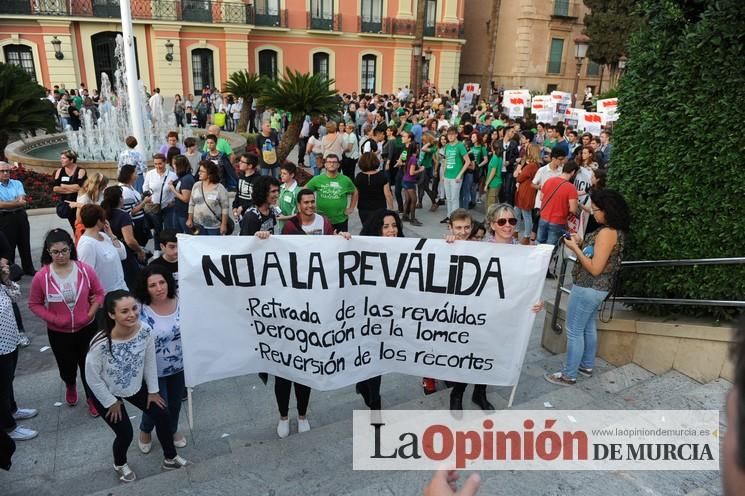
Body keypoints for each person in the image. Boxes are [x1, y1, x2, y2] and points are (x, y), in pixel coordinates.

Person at [85, 290, 189, 483]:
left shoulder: (144, 330)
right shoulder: (100, 343)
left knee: (162, 413)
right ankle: (120, 463)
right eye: (124, 311)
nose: (132, 314)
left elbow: (150, 361)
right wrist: (111, 402)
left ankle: (170, 457)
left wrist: (153, 391)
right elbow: (91, 378)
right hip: (106, 392)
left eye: (134, 308)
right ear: (111, 314)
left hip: (134, 385)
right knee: (125, 433)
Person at [545, 190, 629, 386]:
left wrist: (574, 249)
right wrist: (583, 243)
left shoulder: (607, 233)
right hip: (597, 290)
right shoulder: (612, 231)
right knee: (588, 326)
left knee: (574, 330)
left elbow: (595, 268)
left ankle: (569, 375)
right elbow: (598, 254)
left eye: (596, 209)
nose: (593, 212)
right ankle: (586, 366)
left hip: (588, 288)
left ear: (608, 211)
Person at [28, 229, 105, 417]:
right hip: (58, 332)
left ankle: (91, 397)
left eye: (64, 250)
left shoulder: (85, 270)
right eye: (55, 252)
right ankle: (70, 384)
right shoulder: (42, 277)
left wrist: (90, 313)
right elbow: (34, 304)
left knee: (89, 365)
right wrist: (54, 319)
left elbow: (100, 294)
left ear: (71, 249)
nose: (60, 256)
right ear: (48, 252)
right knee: (66, 366)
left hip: (86, 328)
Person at [356, 209, 405, 410]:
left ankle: (364, 387)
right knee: (374, 361)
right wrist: (343, 240)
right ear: (376, 229)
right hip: (367, 317)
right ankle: (375, 404)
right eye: (385, 227)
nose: (391, 230)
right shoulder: (363, 250)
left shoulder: (406, 249)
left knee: (379, 361)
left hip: (392, 318)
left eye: (394, 226)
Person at [136, 267, 187, 454]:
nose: (159, 288)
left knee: (174, 403)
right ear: (145, 288)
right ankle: (145, 428)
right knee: (157, 406)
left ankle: (172, 429)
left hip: (180, 366)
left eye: (162, 282)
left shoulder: (182, 298)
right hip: (152, 370)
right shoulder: (139, 307)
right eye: (152, 285)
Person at [0, 256, 39, 441]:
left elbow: (16, 296)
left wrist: (6, 279)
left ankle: (12, 409)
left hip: (10, 340)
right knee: (2, 386)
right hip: (1, 346)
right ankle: (8, 426)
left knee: (8, 379)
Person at [101, 186, 146, 290]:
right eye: (122, 196)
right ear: (119, 199)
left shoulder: (101, 213)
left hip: (106, 253)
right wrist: (140, 251)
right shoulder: (123, 215)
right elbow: (129, 240)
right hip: (124, 255)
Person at [76, 204, 128, 293]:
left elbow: (122, 255)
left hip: (121, 289)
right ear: (98, 221)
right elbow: (85, 276)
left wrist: (111, 235)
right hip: (106, 297)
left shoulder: (104, 236)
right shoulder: (87, 245)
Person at [305, 154, 358, 233]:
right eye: (329, 162)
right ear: (325, 165)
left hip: (340, 220)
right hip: (322, 220)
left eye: (334, 162)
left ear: (338, 165)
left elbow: (355, 192)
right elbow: (304, 191)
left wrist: (351, 208)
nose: (332, 164)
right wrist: (310, 206)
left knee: (340, 244)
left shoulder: (345, 180)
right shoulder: (317, 179)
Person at [0, 162, 35, 276]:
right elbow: (1, 205)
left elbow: (22, 202)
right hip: (5, 218)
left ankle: (28, 269)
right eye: (2, 171)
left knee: (25, 242)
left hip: (20, 216)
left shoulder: (17, 183)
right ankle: (11, 271)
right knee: (8, 246)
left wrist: (8, 203)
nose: (6, 173)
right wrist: (15, 202)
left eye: (7, 171)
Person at [536, 161, 579, 246]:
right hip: (558, 221)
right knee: (551, 249)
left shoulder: (549, 181)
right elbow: (573, 210)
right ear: (573, 172)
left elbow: (541, 197)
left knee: (540, 245)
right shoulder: (571, 188)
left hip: (543, 217)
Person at [187, 160, 230, 236]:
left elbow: (225, 208)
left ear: (210, 174)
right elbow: (191, 203)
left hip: (214, 227)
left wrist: (224, 224)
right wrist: (190, 219)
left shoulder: (220, 188)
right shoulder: (196, 185)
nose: (199, 173)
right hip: (198, 225)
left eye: (202, 171)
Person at [143, 153, 177, 246]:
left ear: (165, 162)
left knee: (169, 229)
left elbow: (177, 191)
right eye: (156, 164)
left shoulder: (173, 175)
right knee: (157, 229)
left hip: (168, 207)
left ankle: (169, 247)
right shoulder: (150, 174)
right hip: (154, 206)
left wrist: (173, 201)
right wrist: (148, 197)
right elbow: (145, 188)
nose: (158, 166)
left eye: (160, 163)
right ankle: (157, 248)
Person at [354, 152, 394, 226]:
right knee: (378, 229)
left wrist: (351, 207)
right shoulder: (382, 176)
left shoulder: (359, 176)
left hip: (363, 208)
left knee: (366, 227)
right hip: (380, 208)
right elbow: (388, 194)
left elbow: (355, 194)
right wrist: (391, 208)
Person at [442, 126, 472, 221]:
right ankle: (449, 216)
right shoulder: (447, 146)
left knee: (455, 199)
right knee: (449, 198)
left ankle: (455, 219)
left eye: (452, 134)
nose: (450, 137)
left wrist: (460, 174)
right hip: (447, 175)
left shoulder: (460, 145)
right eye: (448, 135)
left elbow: (467, 161)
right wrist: (443, 174)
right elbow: (446, 159)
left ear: (456, 135)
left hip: (456, 176)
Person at [513, 143, 541, 245]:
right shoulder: (536, 165)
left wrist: (520, 173)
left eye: (528, 149)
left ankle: (527, 236)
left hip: (526, 191)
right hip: (524, 191)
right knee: (517, 211)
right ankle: (516, 231)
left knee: (526, 214)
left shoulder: (531, 166)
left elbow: (520, 177)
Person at [53, 150, 87, 230]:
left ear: (71, 160)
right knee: (74, 225)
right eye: (61, 158)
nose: (61, 160)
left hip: (78, 203)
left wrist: (63, 185)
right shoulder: (59, 171)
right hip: (67, 204)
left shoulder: (80, 171)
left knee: (81, 225)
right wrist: (73, 189)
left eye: (64, 158)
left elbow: (81, 187)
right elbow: (55, 188)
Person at [117, 165, 150, 247]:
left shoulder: (130, 187)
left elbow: (134, 203)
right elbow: (130, 212)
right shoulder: (125, 191)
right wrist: (144, 202)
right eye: (135, 173)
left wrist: (142, 197)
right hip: (135, 224)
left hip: (140, 221)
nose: (137, 175)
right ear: (130, 175)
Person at [72, 172, 108, 241]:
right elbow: (79, 218)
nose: (106, 186)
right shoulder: (85, 197)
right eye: (104, 185)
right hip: (87, 229)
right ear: (98, 186)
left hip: (97, 226)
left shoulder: (100, 194)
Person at [400, 131, 424, 226]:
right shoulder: (414, 159)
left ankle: (405, 216)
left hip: (405, 179)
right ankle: (412, 219)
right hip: (410, 181)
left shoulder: (409, 157)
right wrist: (420, 170)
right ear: (416, 150)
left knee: (407, 199)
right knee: (414, 200)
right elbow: (412, 172)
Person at [167, 155, 194, 234]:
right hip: (179, 210)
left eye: (174, 164)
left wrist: (173, 189)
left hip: (184, 212)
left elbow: (186, 198)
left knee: (188, 235)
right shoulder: (182, 177)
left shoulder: (187, 179)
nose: (173, 166)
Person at [232, 152, 260, 224]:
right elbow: (238, 194)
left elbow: (257, 199)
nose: (239, 163)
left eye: (242, 162)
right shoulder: (241, 176)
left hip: (252, 215)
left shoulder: (258, 180)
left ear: (250, 166)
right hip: (240, 214)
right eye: (239, 161)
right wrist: (234, 207)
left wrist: (242, 207)